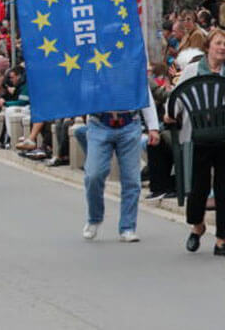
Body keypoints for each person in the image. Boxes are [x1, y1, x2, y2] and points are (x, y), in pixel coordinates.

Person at [169, 28, 225, 256]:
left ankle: (221, 239)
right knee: (198, 188)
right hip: (197, 137)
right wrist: (169, 114)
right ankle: (197, 225)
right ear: (208, 46)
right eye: (218, 43)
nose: (222, 47)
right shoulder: (192, 70)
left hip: (223, 137)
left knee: (223, 189)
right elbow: (176, 100)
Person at [82, 87, 160, 243]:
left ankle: (128, 227)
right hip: (99, 122)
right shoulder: (93, 64)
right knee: (93, 175)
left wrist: (153, 126)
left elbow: (144, 92)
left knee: (131, 179)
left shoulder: (132, 62)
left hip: (130, 123)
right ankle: (94, 218)